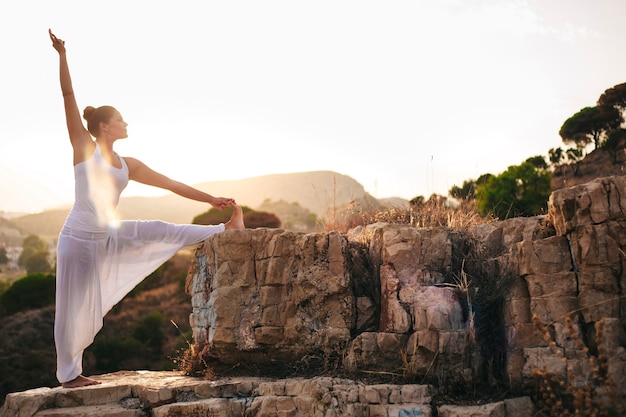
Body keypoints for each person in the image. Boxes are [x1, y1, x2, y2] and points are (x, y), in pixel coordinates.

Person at [48, 29, 245, 388]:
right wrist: (62, 55)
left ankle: (223, 228)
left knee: (156, 227)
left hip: (108, 234)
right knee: (72, 311)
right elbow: (68, 94)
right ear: (104, 126)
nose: (127, 124)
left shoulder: (129, 163)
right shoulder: (83, 146)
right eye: (121, 120)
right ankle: (69, 375)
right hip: (77, 238)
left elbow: (171, 184)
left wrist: (210, 200)